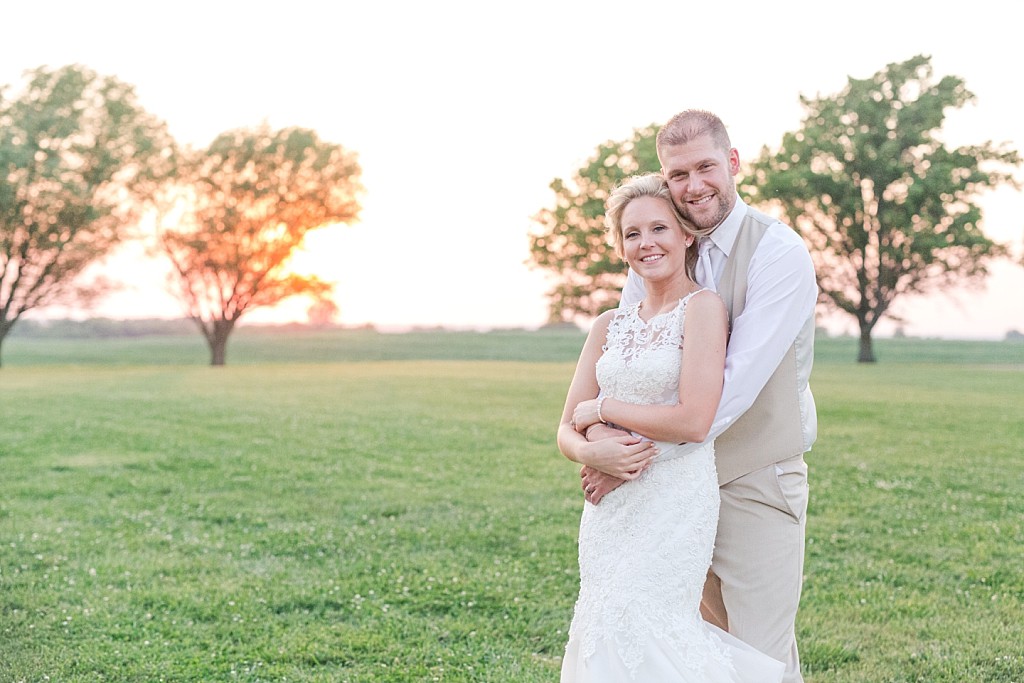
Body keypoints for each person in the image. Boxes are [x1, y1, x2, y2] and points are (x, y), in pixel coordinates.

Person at [578, 109, 817, 683]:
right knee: (701, 650)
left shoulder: (777, 253)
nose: (693, 186)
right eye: (677, 174)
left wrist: (624, 454)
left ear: (732, 164)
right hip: (670, 493)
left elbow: (728, 394)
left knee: (758, 656)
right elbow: (631, 356)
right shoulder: (660, 249)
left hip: (753, 478)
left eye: (706, 167)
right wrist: (601, 449)